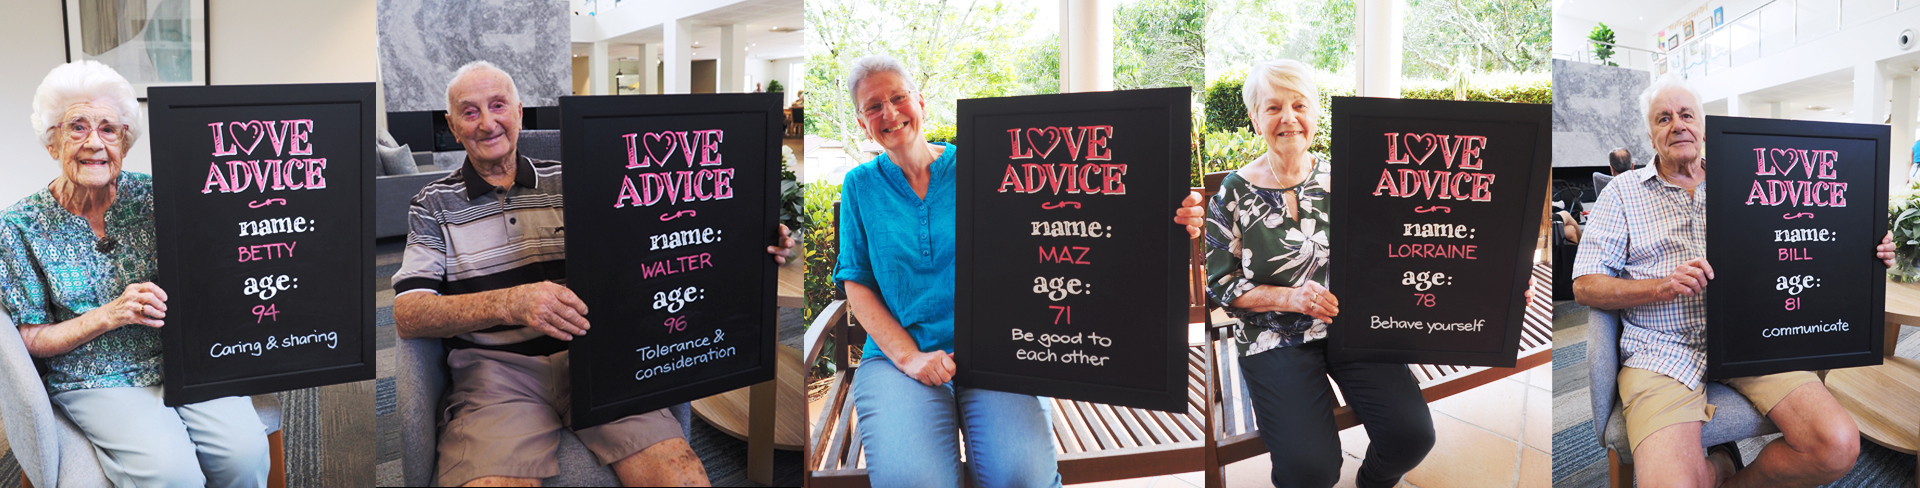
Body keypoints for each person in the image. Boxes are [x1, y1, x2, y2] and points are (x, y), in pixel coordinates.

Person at [391, 61, 798, 487]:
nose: (488, 123)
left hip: (600, 361)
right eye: (470, 112)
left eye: (498, 106)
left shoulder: (575, 180)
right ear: (453, 126)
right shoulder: (431, 204)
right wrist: (510, 303)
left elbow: (664, 239)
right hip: (495, 376)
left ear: (519, 111)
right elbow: (409, 313)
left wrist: (749, 241)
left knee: (684, 478)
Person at [832, 54, 1204, 488]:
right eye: (874, 106)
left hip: (1000, 353)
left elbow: (1082, 213)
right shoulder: (860, 186)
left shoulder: (984, 165)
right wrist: (909, 357)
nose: (890, 113)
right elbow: (856, 281)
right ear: (862, 122)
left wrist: (1169, 216)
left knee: (1022, 478)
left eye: (898, 98)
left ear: (920, 101)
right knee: (914, 482)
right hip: (898, 362)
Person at [1573, 73, 1897, 488]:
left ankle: (1725, 476)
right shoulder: (1621, 194)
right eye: (1663, 118)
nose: (1678, 125)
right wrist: (1660, 286)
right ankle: (1720, 464)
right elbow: (1584, 285)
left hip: (1753, 339)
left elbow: (1811, 238)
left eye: (1687, 115)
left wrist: (1865, 251)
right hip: (1661, 351)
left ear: (1704, 127)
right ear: (1650, 134)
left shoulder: (1749, 179)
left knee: (1836, 445)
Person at [0, 61, 270, 488]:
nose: (95, 143)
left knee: (245, 453)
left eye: (109, 129)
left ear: (125, 142)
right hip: (94, 374)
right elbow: (29, 338)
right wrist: (108, 315)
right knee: (173, 474)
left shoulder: (159, 196)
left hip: (180, 358)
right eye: (78, 127)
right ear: (52, 142)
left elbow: (214, 267)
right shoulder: (18, 226)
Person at [1202, 59, 1435, 488]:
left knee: (1412, 436)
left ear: (1315, 115)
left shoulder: (1347, 178)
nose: (1288, 118)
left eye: (1299, 105)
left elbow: (1402, 247)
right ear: (1255, 119)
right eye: (1273, 108)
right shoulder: (1231, 195)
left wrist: (1493, 284)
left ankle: (1373, 482)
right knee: (1309, 471)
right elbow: (1220, 285)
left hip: (1352, 326)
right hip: (1274, 336)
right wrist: (1289, 298)